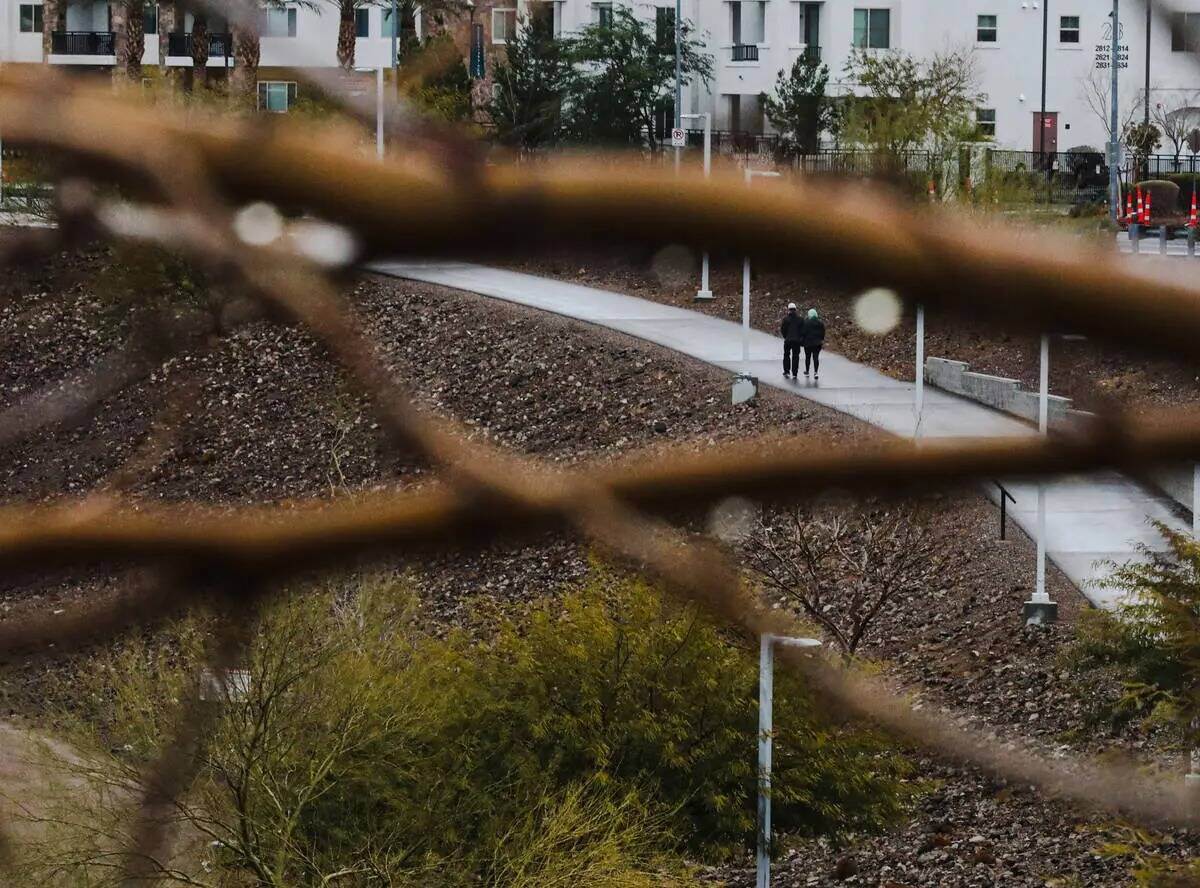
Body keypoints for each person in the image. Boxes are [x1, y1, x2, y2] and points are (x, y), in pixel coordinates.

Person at [779, 303, 804, 379]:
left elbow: (783, 330)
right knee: (795, 356)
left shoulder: (785, 319)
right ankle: (795, 373)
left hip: (788, 340)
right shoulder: (800, 319)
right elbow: (803, 331)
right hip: (797, 341)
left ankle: (786, 371)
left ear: (788, 310)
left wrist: (785, 337)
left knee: (786, 355)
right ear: (795, 309)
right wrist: (800, 338)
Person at [802, 307, 825, 379]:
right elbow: (823, 333)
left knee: (807, 358)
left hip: (808, 343)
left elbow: (803, 332)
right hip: (817, 343)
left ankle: (807, 371)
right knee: (816, 358)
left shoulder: (806, 323)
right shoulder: (820, 323)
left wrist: (803, 340)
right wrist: (821, 339)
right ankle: (816, 372)